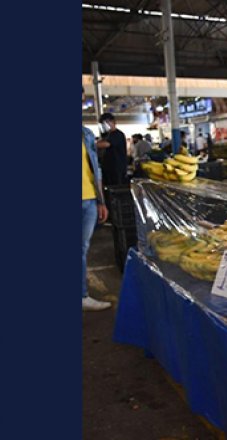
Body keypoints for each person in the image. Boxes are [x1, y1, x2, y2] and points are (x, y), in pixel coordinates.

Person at [82, 88, 112, 311]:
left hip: (89, 200)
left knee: (82, 249)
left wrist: (101, 201)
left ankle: (82, 296)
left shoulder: (87, 134)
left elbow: (96, 170)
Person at [96, 112, 129, 185]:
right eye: (102, 124)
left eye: (106, 123)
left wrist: (90, 144)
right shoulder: (106, 135)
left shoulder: (118, 134)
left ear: (113, 122)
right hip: (107, 169)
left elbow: (105, 144)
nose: (104, 126)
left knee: (116, 190)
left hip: (117, 170)